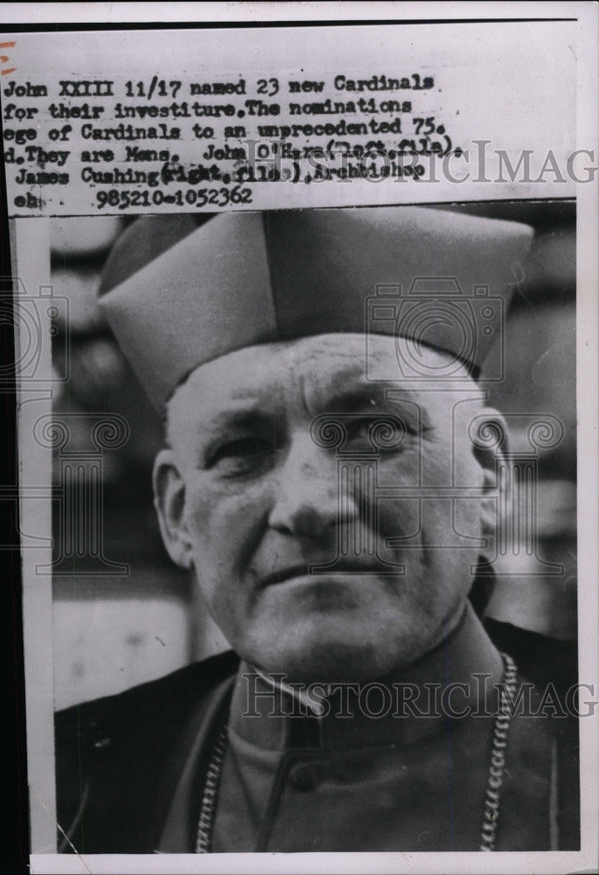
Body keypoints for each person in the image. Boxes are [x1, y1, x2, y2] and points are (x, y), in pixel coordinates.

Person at [55, 206, 579, 853]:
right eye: (242, 448)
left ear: (489, 472)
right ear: (175, 512)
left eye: (373, 429)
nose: (308, 504)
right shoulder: (67, 784)